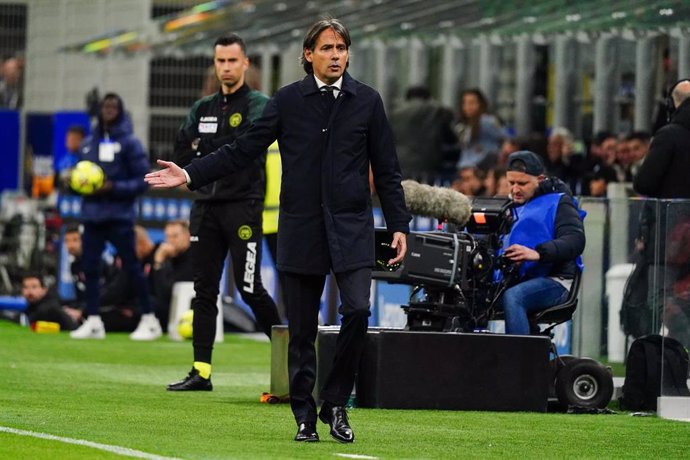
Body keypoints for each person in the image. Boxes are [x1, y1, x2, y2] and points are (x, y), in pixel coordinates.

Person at [145, 18, 410, 443]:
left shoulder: (368, 101)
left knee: (358, 310)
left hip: (352, 228)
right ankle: (305, 415)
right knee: (301, 331)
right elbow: (243, 149)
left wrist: (399, 225)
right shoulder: (288, 100)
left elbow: (389, 170)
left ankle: (337, 402)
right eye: (327, 48)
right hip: (302, 228)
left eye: (341, 47)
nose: (336, 55)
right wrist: (191, 174)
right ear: (309, 55)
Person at [166, 34, 282, 392]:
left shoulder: (260, 106)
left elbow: (242, 151)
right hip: (205, 210)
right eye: (221, 61)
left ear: (246, 63)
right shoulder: (201, 109)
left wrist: (205, 156)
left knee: (249, 287)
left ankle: (292, 363)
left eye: (233, 61)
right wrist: (192, 166)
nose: (227, 67)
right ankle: (201, 371)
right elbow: (182, 153)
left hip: (243, 208)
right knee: (204, 290)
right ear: (215, 64)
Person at [69, 93, 162, 340]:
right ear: (99, 111)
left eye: (113, 106)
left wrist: (114, 188)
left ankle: (149, 318)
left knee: (131, 266)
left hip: (120, 216)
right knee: (90, 268)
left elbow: (143, 180)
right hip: (92, 216)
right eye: (105, 106)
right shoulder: (89, 143)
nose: (108, 110)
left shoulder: (130, 143)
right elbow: (79, 177)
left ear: (121, 110)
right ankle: (93, 320)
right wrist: (74, 183)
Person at [499, 151, 585, 335]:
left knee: (515, 297)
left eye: (522, 183)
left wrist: (538, 253)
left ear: (540, 179)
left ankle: (520, 361)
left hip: (557, 280)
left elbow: (575, 240)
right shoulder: (508, 207)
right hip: (518, 280)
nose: (515, 189)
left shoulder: (560, 202)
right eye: (511, 183)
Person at [389, 85, 457, 181]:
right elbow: (451, 138)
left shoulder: (395, 112)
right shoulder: (436, 110)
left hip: (400, 164)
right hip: (426, 166)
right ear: (428, 97)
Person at [151, 220, 194, 331]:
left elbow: (166, 293)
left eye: (175, 236)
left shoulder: (194, 258)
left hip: (189, 313)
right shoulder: (171, 257)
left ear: (188, 236)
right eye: (168, 236)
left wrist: (159, 262)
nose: (170, 241)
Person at [454, 88, 505, 169]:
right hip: (465, 167)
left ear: (480, 104)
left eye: (471, 103)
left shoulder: (488, 121)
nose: (467, 107)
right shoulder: (462, 125)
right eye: (465, 103)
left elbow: (503, 139)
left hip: (481, 168)